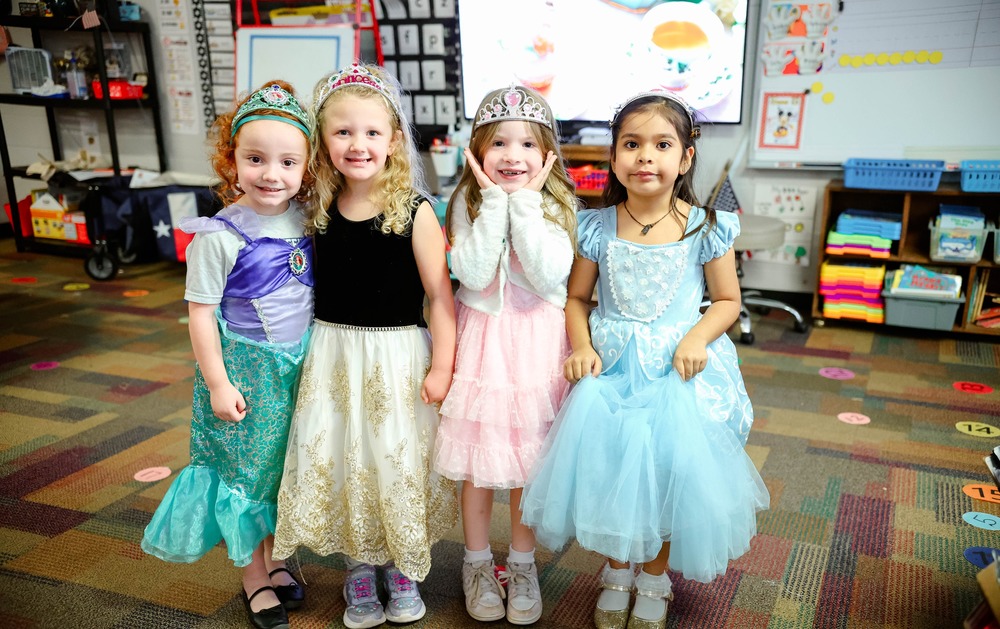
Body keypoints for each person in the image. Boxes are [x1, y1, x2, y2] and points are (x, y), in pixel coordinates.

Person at [520, 91, 770, 629]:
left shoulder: (706, 226)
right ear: (613, 158)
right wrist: (582, 346)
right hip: (612, 371)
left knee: (667, 472)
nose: (645, 157)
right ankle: (616, 571)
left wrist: (697, 338)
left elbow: (727, 301)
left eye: (662, 145)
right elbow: (577, 298)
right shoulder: (596, 225)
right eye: (631, 144)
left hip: (676, 372)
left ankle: (655, 576)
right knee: (612, 469)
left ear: (685, 158)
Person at [272, 63, 458, 629]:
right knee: (343, 455)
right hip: (333, 356)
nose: (358, 144)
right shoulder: (316, 210)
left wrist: (442, 368)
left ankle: (401, 566)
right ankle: (357, 566)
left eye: (372, 132)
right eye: (343, 132)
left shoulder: (416, 212)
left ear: (394, 140)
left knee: (392, 458)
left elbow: (440, 298)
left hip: (397, 358)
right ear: (323, 141)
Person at [141, 80, 315, 629]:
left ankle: (278, 559)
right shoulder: (220, 235)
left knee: (283, 470)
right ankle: (253, 576)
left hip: (300, 367)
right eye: (255, 159)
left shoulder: (308, 220)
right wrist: (218, 383)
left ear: (306, 167)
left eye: (288, 162)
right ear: (232, 160)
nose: (271, 174)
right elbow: (200, 314)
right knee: (246, 475)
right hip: (246, 373)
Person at [433, 84, 578, 625]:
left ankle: (521, 565)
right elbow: (471, 274)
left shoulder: (559, 206)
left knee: (528, 466)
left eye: (526, 145)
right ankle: (476, 564)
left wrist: (526, 206)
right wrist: (495, 202)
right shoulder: (467, 202)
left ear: (548, 155)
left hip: (538, 344)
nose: (512, 156)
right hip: (483, 344)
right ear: (477, 151)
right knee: (478, 464)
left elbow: (546, 272)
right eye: (498, 143)